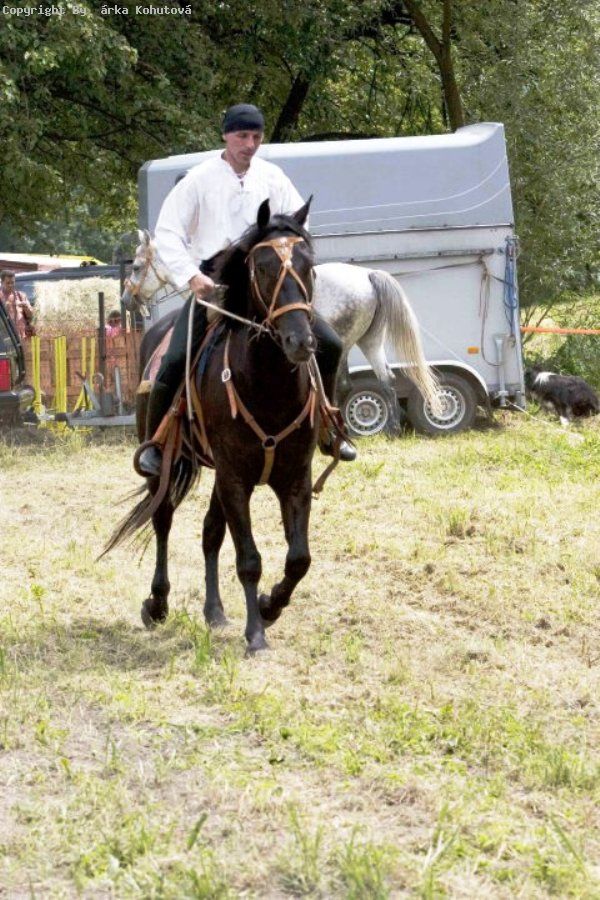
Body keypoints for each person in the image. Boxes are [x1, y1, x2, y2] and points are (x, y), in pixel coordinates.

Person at [137, 102, 355, 477]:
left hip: (267, 284)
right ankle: (156, 442)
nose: (250, 144)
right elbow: (168, 233)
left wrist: (287, 260)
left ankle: (327, 427)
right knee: (175, 359)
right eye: (242, 136)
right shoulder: (198, 180)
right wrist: (190, 276)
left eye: (256, 136)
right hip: (216, 286)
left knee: (331, 344)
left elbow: (299, 224)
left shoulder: (273, 177)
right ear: (226, 135)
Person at [0, 270, 35, 341]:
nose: (10, 285)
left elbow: (31, 316)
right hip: (5, 338)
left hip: (22, 337)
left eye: (12, 282)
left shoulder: (21, 296)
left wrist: (25, 307)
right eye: (8, 283)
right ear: (2, 282)